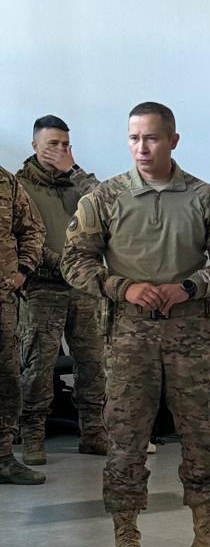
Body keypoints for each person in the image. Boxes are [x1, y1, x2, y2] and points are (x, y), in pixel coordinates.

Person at [61, 101, 210, 547]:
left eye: (152, 138)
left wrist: (190, 286)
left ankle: (206, 531)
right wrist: (123, 286)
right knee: (125, 438)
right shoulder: (104, 199)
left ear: (173, 141)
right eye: (133, 138)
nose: (141, 148)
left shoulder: (205, 199)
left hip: (189, 334)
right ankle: (127, 540)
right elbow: (75, 262)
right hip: (128, 336)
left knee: (202, 433)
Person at [16, 115, 106, 465]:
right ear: (35, 145)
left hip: (83, 288)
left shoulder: (77, 183)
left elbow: (109, 205)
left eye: (65, 144)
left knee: (94, 363)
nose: (59, 150)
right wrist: (61, 264)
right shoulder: (19, 186)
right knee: (37, 366)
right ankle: (34, 436)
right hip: (42, 288)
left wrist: (75, 170)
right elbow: (22, 237)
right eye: (52, 144)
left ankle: (94, 433)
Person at [0, 164, 45, 485]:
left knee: (6, 378)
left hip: (3, 301)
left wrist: (23, 269)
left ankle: (3, 458)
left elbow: (32, 229)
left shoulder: (6, 182)